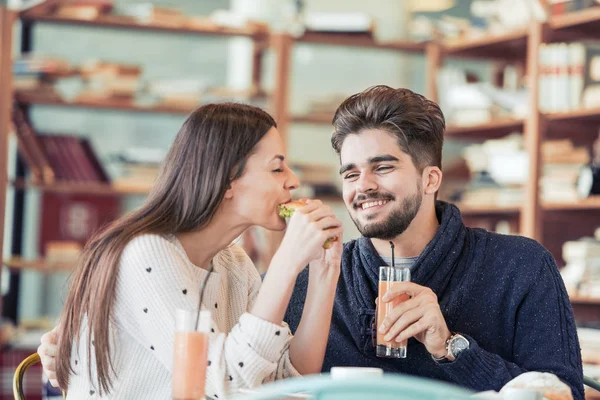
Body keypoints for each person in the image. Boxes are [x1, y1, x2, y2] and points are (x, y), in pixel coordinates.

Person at [283, 86, 585, 399]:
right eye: (351, 174)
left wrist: (451, 346)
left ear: (431, 179)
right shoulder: (312, 278)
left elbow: (566, 395)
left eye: (382, 167)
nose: (364, 186)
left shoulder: (522, 266)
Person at [38, 103, 343, 399]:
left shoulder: (234, 263)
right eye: (277, 168)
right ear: (226, 181)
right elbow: (219, 381)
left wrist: (325, 271)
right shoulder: (148, 254)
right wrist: (286, 261)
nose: (293, 180)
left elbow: (287, 377)